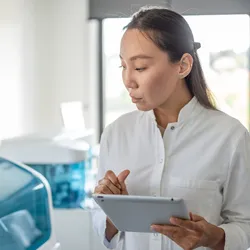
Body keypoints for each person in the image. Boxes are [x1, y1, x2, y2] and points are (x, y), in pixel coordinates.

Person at [91, 6, 250, 250]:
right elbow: (101, 226)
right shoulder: (116, 134)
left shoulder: (230, 136)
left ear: (183, 65)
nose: (128, 81)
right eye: (123, 66)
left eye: (140, 67)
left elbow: (245, 224)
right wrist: (112, 210)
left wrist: (213, 236)